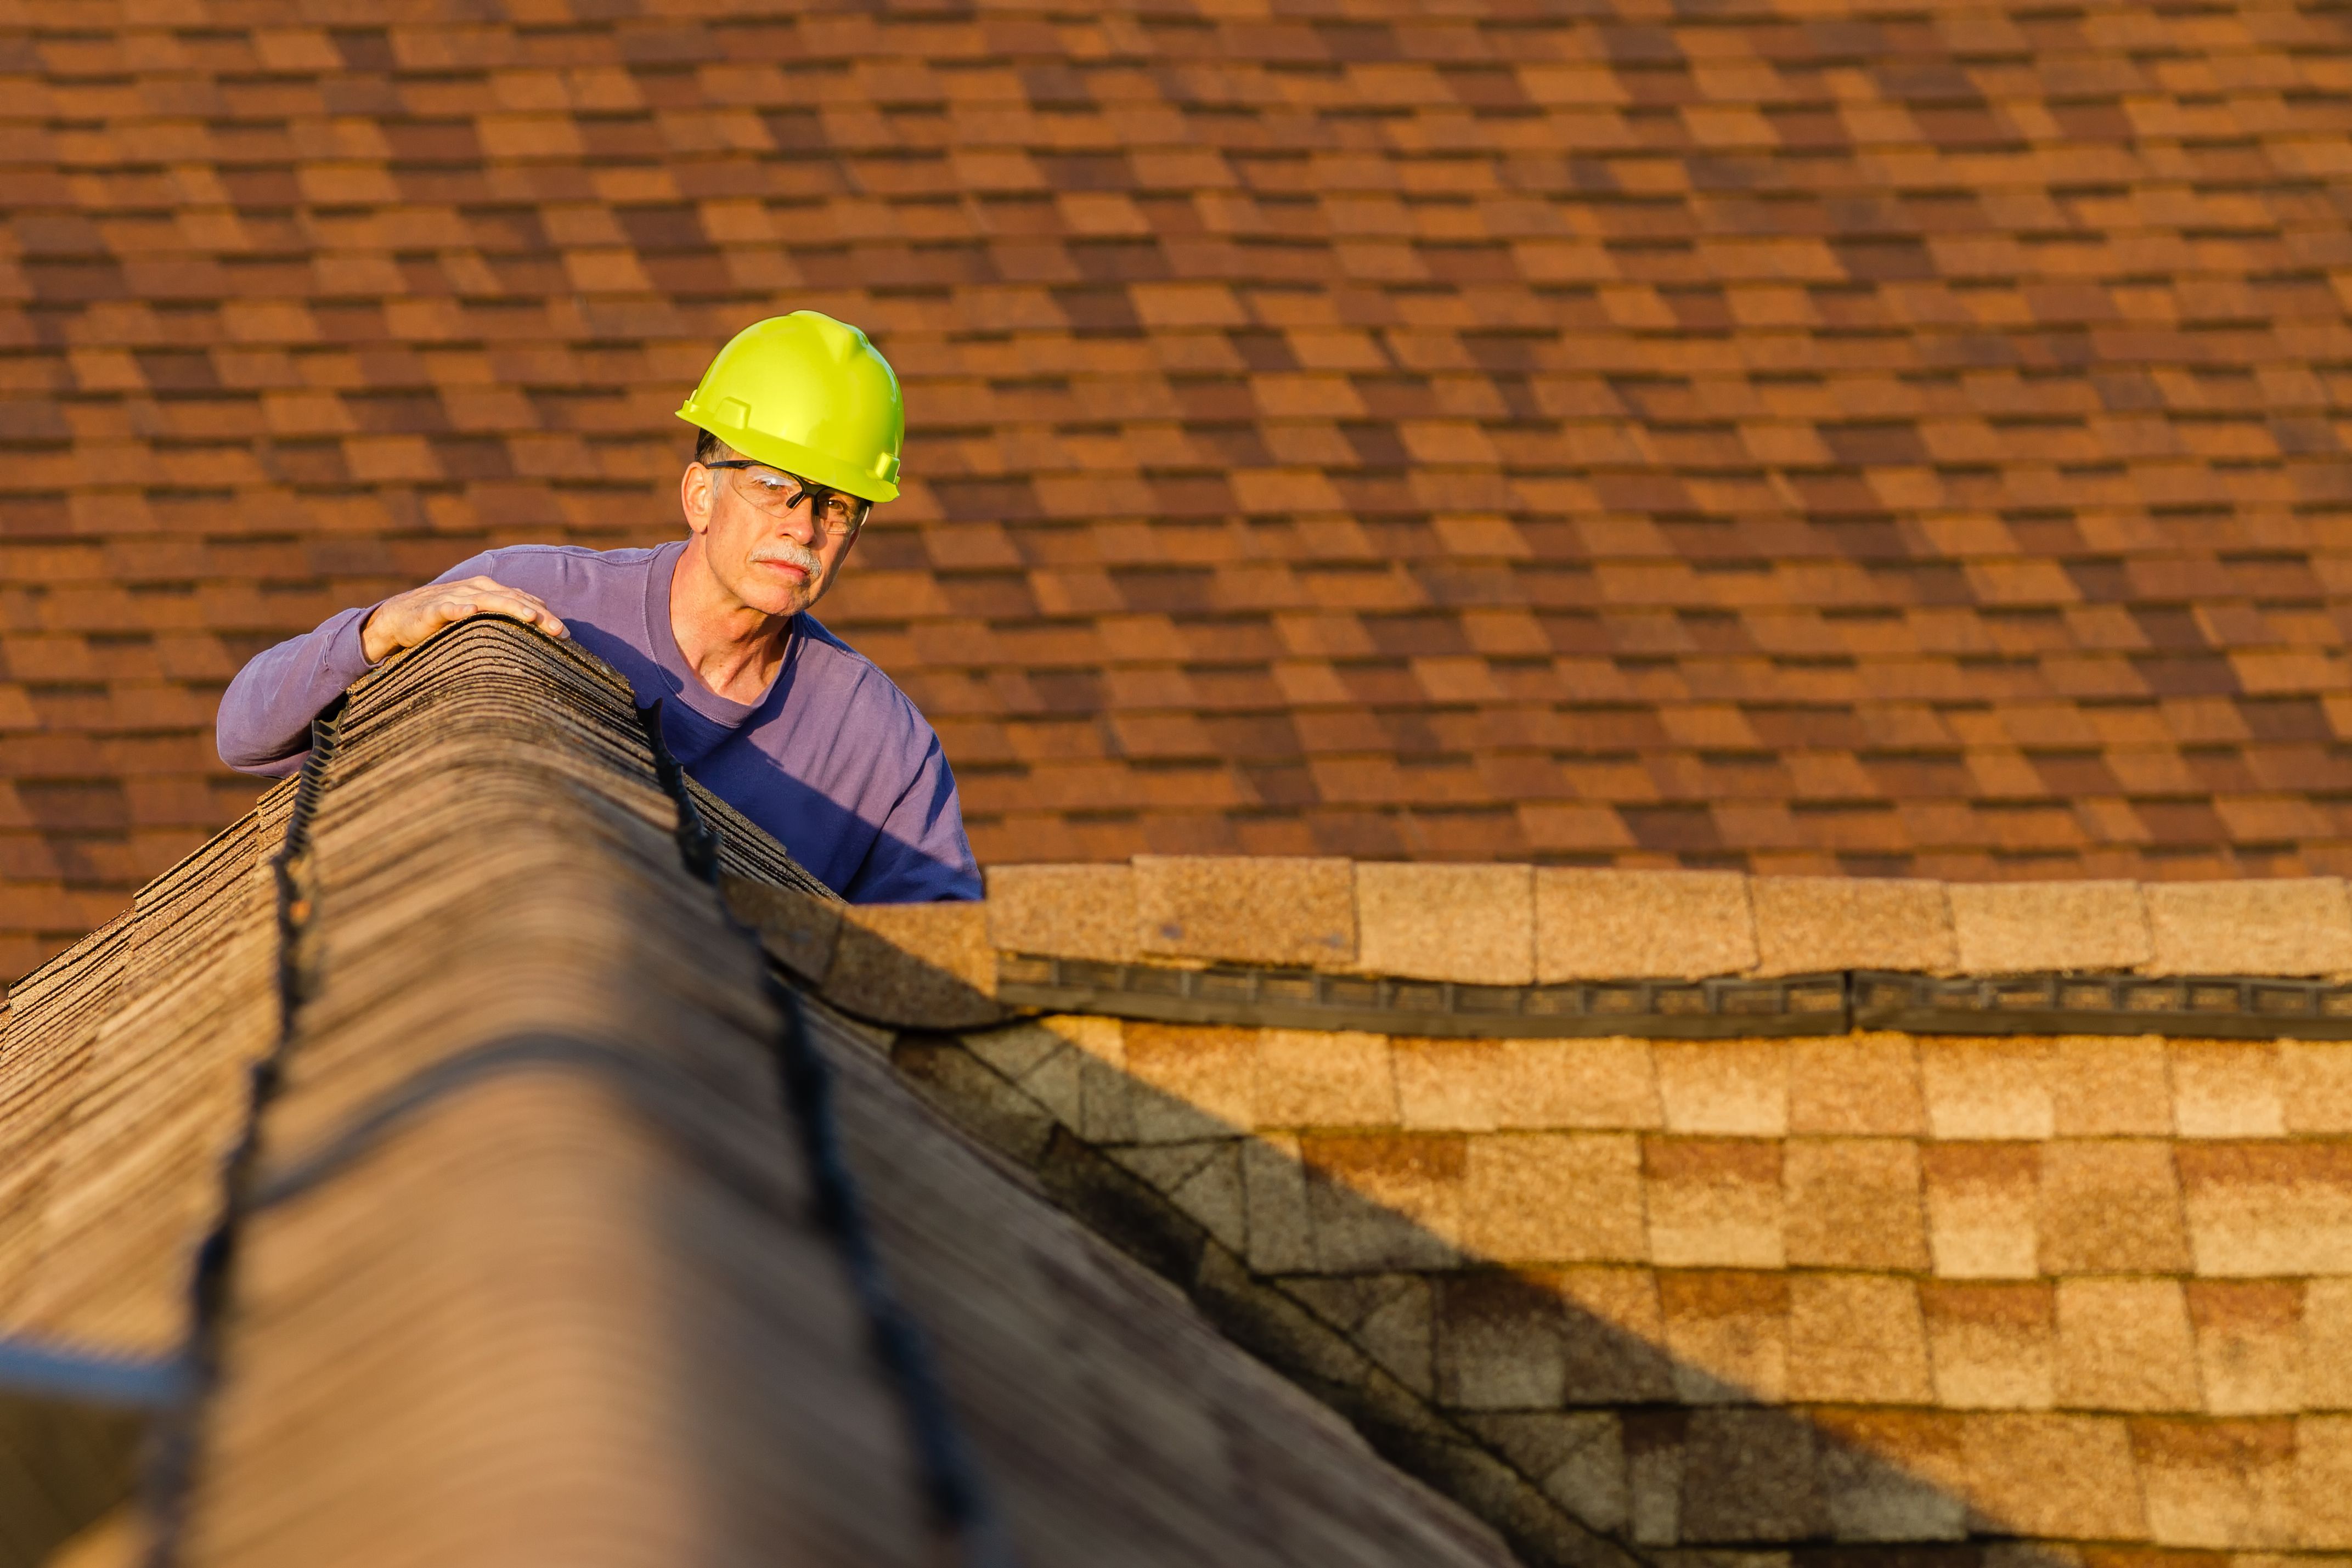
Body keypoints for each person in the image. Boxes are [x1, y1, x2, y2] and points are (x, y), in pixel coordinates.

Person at [217, 311, 980, 904]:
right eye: (775, 486)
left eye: (839, 506)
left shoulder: (885, 750)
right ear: (699, 494)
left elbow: (950, 975)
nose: (803, 526)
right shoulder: (529, 602)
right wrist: (379, 631)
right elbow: (244, 733)